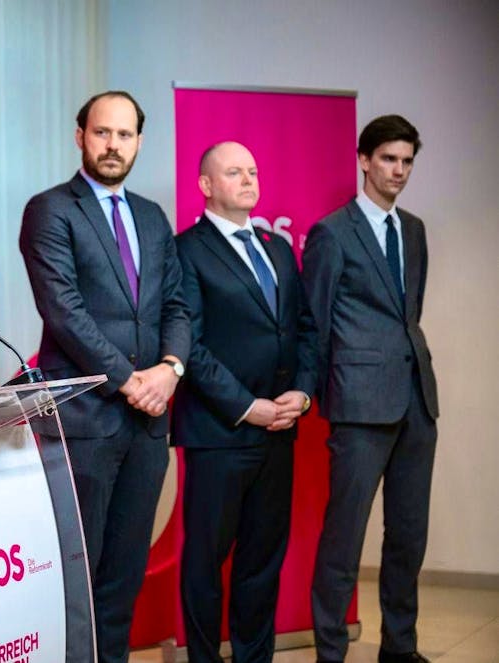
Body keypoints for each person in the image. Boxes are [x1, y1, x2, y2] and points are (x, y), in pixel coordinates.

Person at [19, 90, 190, 663]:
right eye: (102, 133)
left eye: (124, 135)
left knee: (124, 575)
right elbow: (63, 310)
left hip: (148, 424)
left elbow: (176, 304)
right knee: (76, 578)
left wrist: (170, 369)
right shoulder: (51, 209)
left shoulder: (152, 216)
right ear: (80, 137)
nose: (113, 144)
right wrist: (130, 380)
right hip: (86, 419)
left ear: (139, 142)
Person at [172, 142, 317, 662]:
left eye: (253, 171)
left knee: (262, 560)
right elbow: (191, 344)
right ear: (207, 186)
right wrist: (246, 406)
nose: (248, 180)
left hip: (280, 427)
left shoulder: (278, 248)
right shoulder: (185, 250)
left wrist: (301, 393)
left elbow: (303, 329)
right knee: (206, 564)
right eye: (234, 172)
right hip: (220, 432)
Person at [303, 115, 438, 663]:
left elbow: (410, 313)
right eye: (388, 159)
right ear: (364, 160)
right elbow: (314, 322)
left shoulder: (415, 230)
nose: (399, 171)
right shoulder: (332, 233)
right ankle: (330, 653)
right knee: (344, 540)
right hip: (359, 405)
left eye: (407, 161)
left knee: (408, 537)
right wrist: (309, 393)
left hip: (416, 402)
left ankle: (399, 649)